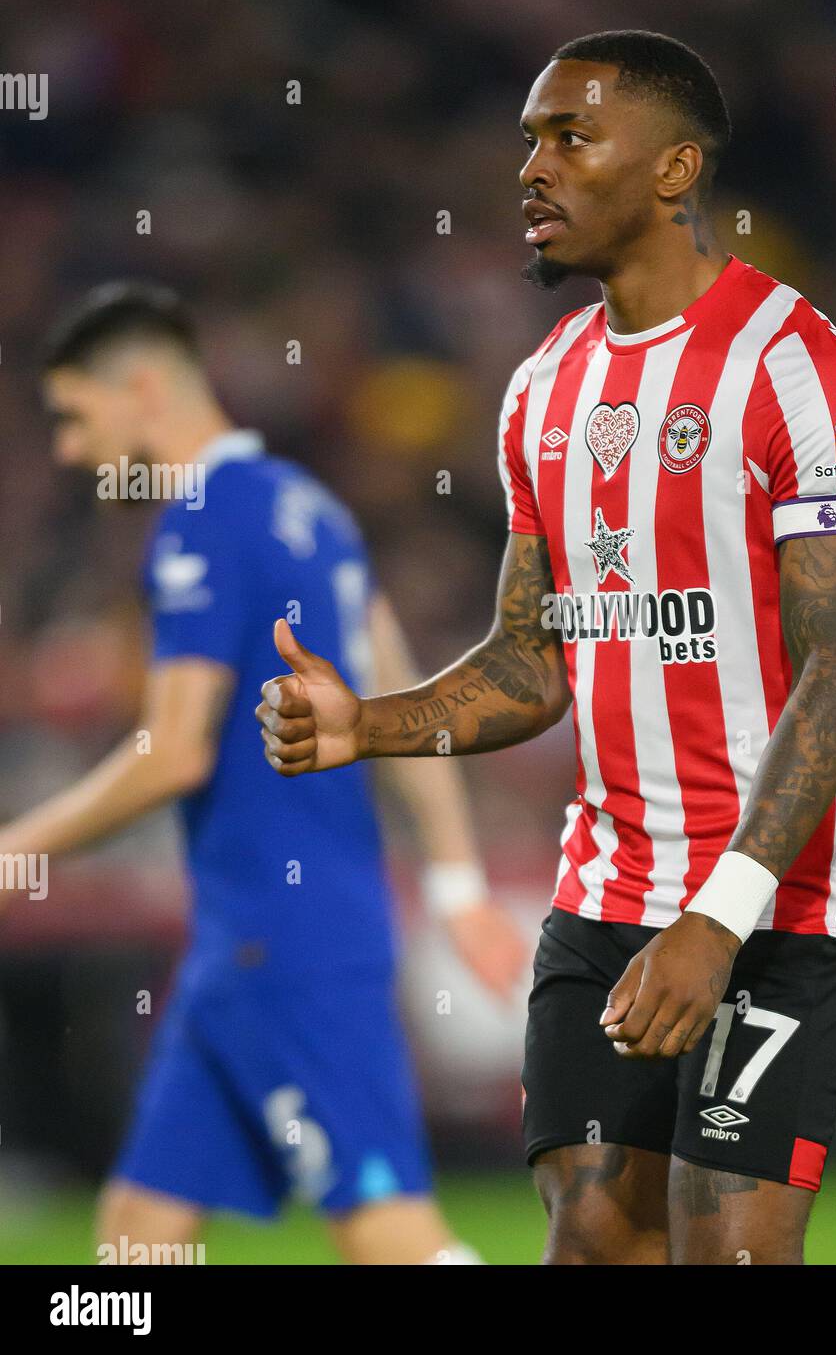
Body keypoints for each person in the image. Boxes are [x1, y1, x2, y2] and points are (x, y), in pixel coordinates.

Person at [257, 29, 836, 1265]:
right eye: (529, 141)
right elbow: (530, 660)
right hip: (603, 892)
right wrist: (364, 724)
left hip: (781, 902)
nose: (531, 170)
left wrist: (720, 917)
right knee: (593, 1240)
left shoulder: (799, 369)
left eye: (569, 137)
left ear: (673, 171)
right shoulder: (542, 390)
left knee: (729, 1254)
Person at [0, 281, 526, 1263]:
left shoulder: (200, 524)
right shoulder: (310, 508)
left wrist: (18, 845)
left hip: (286, 945)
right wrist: (456, 885)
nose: (70, 450)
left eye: (74, 416)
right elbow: (408, 702)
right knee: (137, 1237)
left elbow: (175, 746)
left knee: (388, 1233)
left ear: (143, 390)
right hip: (251, 944)